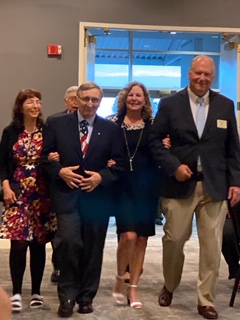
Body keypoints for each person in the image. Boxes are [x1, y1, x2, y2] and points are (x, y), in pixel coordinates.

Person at [149, 55, 240, 320]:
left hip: (215, 186)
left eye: (207, 75)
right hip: (179, 185)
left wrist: (236, 181)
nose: (202, 79)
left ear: (213, 78)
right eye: (198, 73)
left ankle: (206, 300)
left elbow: (233, 148)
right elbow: (155, 143)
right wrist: (173, 166)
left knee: (212, 245)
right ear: (189, 74)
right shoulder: (169, 104)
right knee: (174, 240)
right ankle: (170, 284)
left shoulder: (225, 105)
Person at [41, 81, 124, 318]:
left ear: (100, 102)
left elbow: (118, 163)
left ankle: (86, 296)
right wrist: (60, 171)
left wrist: (101, 177)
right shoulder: (56, 124)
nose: (90, 103)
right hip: (66, 197)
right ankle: (66, 295)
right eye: (85, 98)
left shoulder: (110, 129)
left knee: (93, 247)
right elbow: (45, 156)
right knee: (67, 243)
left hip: (96, 198)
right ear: (76, 99)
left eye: (94, 100)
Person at [108, 82, 167, 309]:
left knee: (142, 239)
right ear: (124, 98)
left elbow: (161, 150)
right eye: (131, 94)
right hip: (122, 186)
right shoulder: (113, 123)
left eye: (139, 95)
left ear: (145, 100)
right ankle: (119, 277)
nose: (134, 98)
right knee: (128, 236)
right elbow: (103, 146)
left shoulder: (154, 126)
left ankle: (133, 288)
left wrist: (166, 145)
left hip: (147, 187)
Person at [0, 89, 56, 312]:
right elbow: (2, 163)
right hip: (17, 191)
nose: (35, 105)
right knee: (18, 242)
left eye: (38, 101)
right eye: (31, 101)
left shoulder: (48, 131)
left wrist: (55, 157)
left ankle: (36, 292)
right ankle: (16, 291)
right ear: (21, 106)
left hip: (41, 193)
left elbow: (54, 154)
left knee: (38, 243)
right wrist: (5, 187)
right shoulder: (10, 131)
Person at [49, 85, 79, 284]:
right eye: (73, 99)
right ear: (66, 101)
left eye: (80, 98)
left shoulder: (95, 124)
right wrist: (54, 159)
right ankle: (58, 267)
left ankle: (76, 272)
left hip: (86, 186)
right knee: (60, 236)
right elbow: (47, 151)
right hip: (61, 187)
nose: (77, 103)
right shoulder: (55, 122)